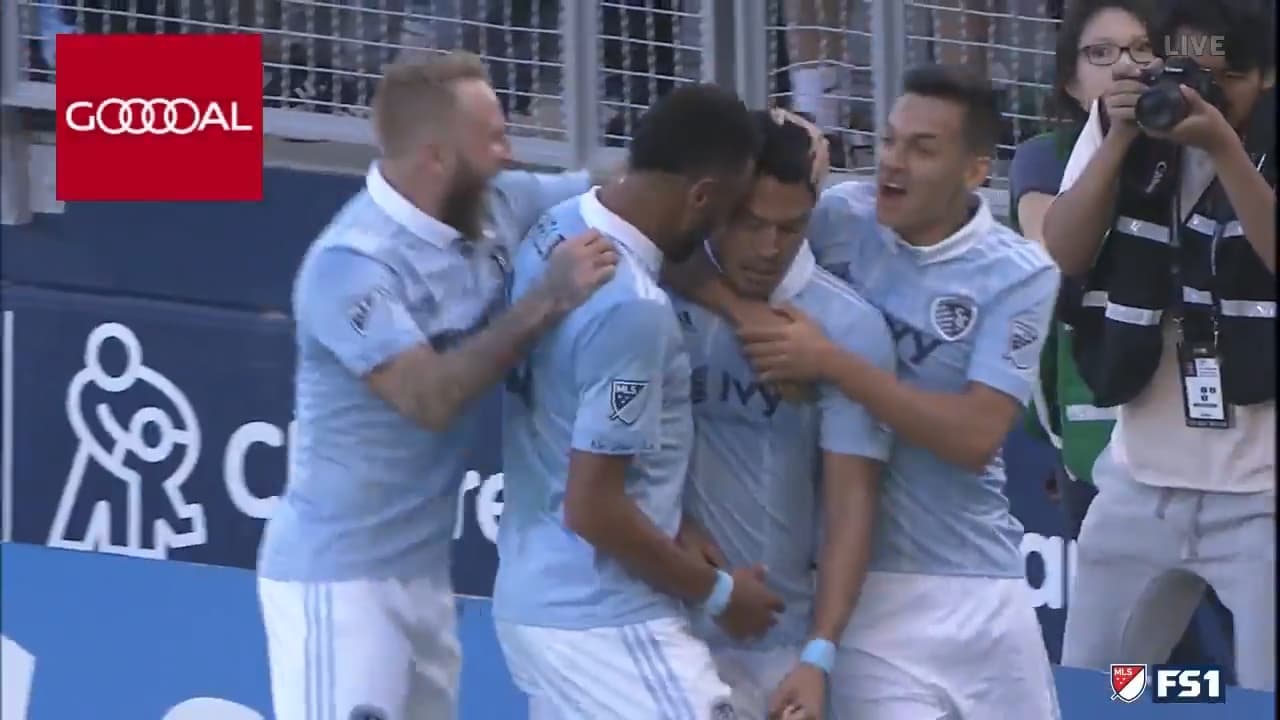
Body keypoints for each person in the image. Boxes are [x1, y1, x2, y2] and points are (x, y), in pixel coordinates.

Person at [255, 53, 618, 720]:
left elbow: (620, 197)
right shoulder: (350, 266)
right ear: (436, 158)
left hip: (425, 579)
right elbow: (430, 399)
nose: (510, 154)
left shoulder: (498, 202)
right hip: (340, 587)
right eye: (495, 139)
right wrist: (548, 298)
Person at [693, 64, 1063, 718]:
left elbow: (976, 437)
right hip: (866, 594)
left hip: (982, 579)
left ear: (975, 170)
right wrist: (744, 312)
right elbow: (694, 240)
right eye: (889, 140)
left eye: (922, 149)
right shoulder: (839, 215)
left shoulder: (1019, 273)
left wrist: (833, 364)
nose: (892, 161)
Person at [492, 84, 783, 719]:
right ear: (701, 196)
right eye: (728, 211)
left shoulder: (557, 226)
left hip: (536, 597)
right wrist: (720, 595)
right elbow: (593, 507)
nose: (723, 232)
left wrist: (673, 520)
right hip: (601, 618)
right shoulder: (633, 312)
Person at [1044, 0, 1275, 691]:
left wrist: (1224, 148)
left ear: (1266, 76)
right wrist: (1119, 138)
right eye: (1187, 71)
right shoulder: (1128, 123)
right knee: (1103, 689)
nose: (1203, 92)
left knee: (1261, 696)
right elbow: (1064, 251)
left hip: (1263, 497)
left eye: (1225, 77)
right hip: (1141, 480)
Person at [670, 109, 892, 720]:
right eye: (750, 223)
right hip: (659, 629)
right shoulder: (652, 288)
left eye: (790, 228)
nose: (769, 248)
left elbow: (851, 506)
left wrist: (818, 656)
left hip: (777, 646)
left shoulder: (847, 327)